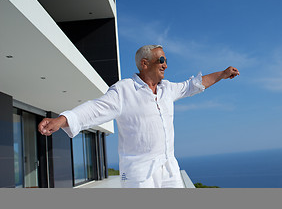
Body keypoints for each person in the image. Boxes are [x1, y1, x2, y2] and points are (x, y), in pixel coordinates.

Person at [38, 45, 240, 188]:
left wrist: (221, 74)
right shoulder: (124, 90)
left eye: (166, 61)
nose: (166, 65)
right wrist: (62, 119)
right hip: (139, 173)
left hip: (169, 168)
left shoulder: (167, 89)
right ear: (144, 63)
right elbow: (95, 109)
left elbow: (193, 85)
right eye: (161, 60)